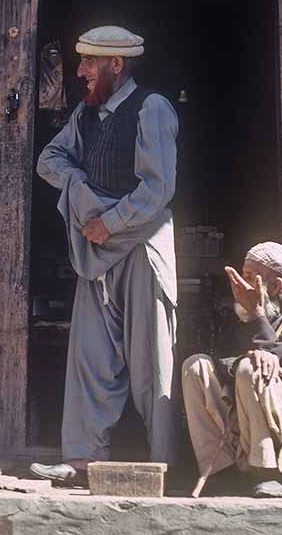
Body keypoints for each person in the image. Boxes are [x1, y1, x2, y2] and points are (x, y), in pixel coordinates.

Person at [30, 25, 179, 485]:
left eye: (88, 63)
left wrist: (107, 221)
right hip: (95, 253)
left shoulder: (151, 108)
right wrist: (81, 192)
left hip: (139, 246)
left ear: (116, 65)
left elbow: (157, 188)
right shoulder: (85, 115)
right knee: (89, 356)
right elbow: (49, 160)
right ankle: (81, 461)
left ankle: (163, 465)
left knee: (151, 359)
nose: (80, 72)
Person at [181, 241, 282, 498]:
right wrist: (244, 356)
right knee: (196, 365)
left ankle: (268, 472)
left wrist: (258, 322)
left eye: (249, 278)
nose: (242, 287)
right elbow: (220, 359)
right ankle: (220, 471)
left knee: (252, 369)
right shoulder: (242, 314)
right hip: (244, 410)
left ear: (277, 285)